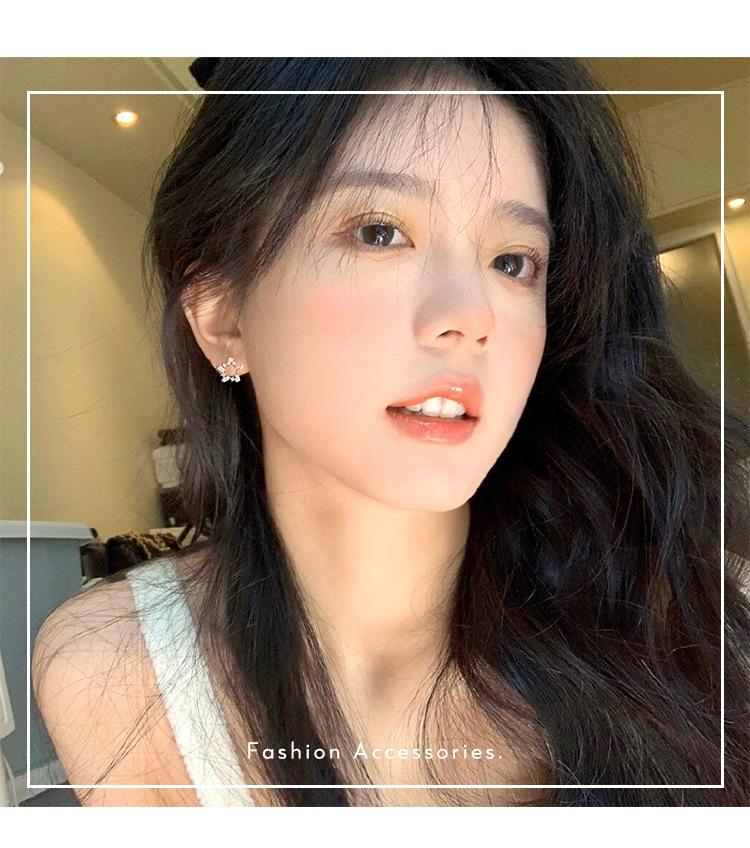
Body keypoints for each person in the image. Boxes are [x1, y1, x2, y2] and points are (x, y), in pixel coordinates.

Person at [31, 57, 750, 807]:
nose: (470, 315)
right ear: (222, 316)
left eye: (513, 262)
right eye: (379, 232)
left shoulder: (712, 627)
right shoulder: (113, 669)